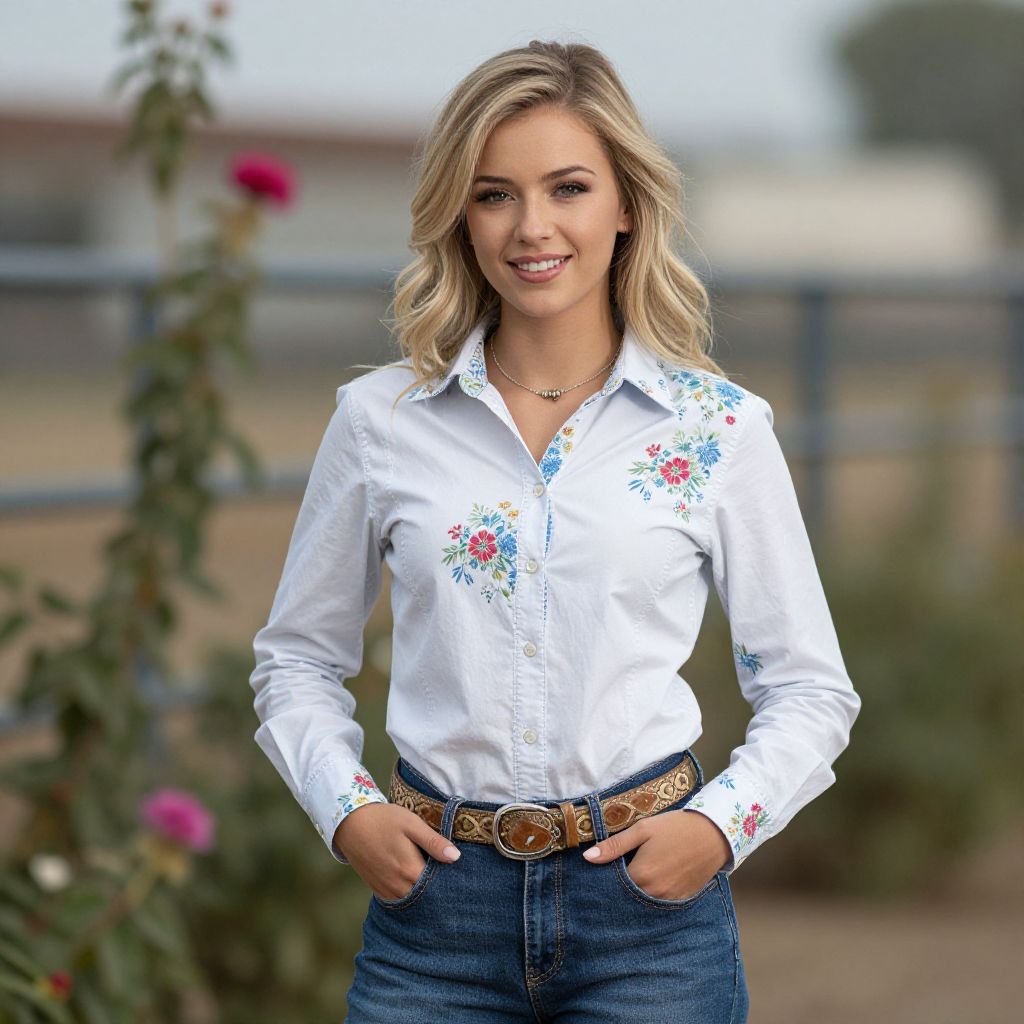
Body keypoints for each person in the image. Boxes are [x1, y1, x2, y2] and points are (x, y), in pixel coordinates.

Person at [249, 39, 861, 1024]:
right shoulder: (380, 421)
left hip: (649, 915)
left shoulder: (717, 431)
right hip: (431, 919)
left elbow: (807, 688)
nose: (532, 227)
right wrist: (347, 812)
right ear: (460, 212)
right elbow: (295, 661)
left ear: (625, 203)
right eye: (494, 194)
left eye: (567, 187)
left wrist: (718, 828)